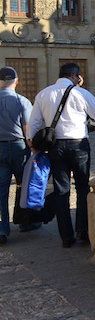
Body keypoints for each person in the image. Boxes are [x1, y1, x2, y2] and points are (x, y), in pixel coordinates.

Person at [26, 63, 95, 248]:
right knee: (83, 187)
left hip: (55, 146)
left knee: (61, 190)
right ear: (75, 76)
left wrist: (32, 145)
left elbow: (34, 123)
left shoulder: (43, 94)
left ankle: (66, 237)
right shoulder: (80, 93)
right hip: (78, 145)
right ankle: (82, 231)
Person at [0, 67, 36, 244]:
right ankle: (24, 221)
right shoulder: (22, 101)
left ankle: (2, 229)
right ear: (16, 81)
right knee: (23, 185)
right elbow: (27, 131)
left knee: (1, 189)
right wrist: (34, 151)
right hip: (18, 147)